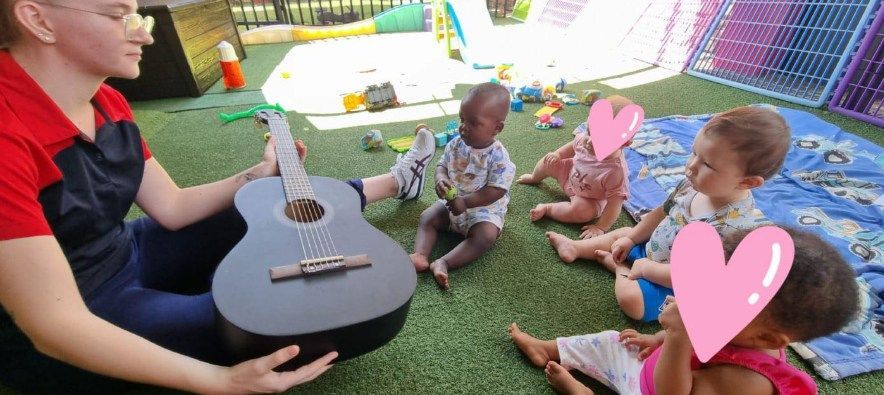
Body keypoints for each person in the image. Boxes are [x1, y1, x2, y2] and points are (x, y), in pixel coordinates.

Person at [0, 0, 435, 392]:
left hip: (127, 248)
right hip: (80, 306)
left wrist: (260, 173)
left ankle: (393, 182)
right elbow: (52, 324)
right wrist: (216, 380)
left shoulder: (106, 100)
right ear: (37, 18)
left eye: (141, 17)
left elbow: (172, 208)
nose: (145, 34)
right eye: (120, 17)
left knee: (267, 205)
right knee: (267, 320)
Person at [509, 227, 860, 395]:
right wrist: (658, 337)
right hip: (651, 369)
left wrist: (678, 337)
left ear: (768, 337)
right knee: (613, 340)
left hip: (660, 388)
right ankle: (550, 348)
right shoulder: (741, 329)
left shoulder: (748, 382)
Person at [546, 106, 791, 322]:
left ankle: (617, 267)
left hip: (672, 284)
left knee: (633, 303)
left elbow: (696, 280)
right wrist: (633, 239)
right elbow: (661, 213)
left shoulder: (733, 227)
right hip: (651, 249)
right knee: (623, 232)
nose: (691, 166)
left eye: (707, 165)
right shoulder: (691, 185)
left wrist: (645, 269)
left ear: (748, 182)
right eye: (694, 153)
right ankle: (576, 248)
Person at [409, 83, 516, 290]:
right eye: (462, 119)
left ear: (497, 128)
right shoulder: (456, 144)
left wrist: (465, 203)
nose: (463, 127)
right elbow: (441, 166)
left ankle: (444, 262)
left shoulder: (498, 156)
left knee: (485, 237)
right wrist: (441, 179)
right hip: (451, 205)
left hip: (483, 211)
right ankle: (420, 254)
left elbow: (497, 190)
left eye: (473, 123)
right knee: (427, 217)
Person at [517, 95, 633, 236]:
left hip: (589, 199)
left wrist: (601, 227)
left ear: (624, 143)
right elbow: (573, 146)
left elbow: (615, 204)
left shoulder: (616, 171)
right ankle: (535, 177)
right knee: (549, 160)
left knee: (582, 212)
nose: (589, 141)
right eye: (590, 132)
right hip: (568, 174)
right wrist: (558, 155)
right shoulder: (584, 140)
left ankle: (548, 209)